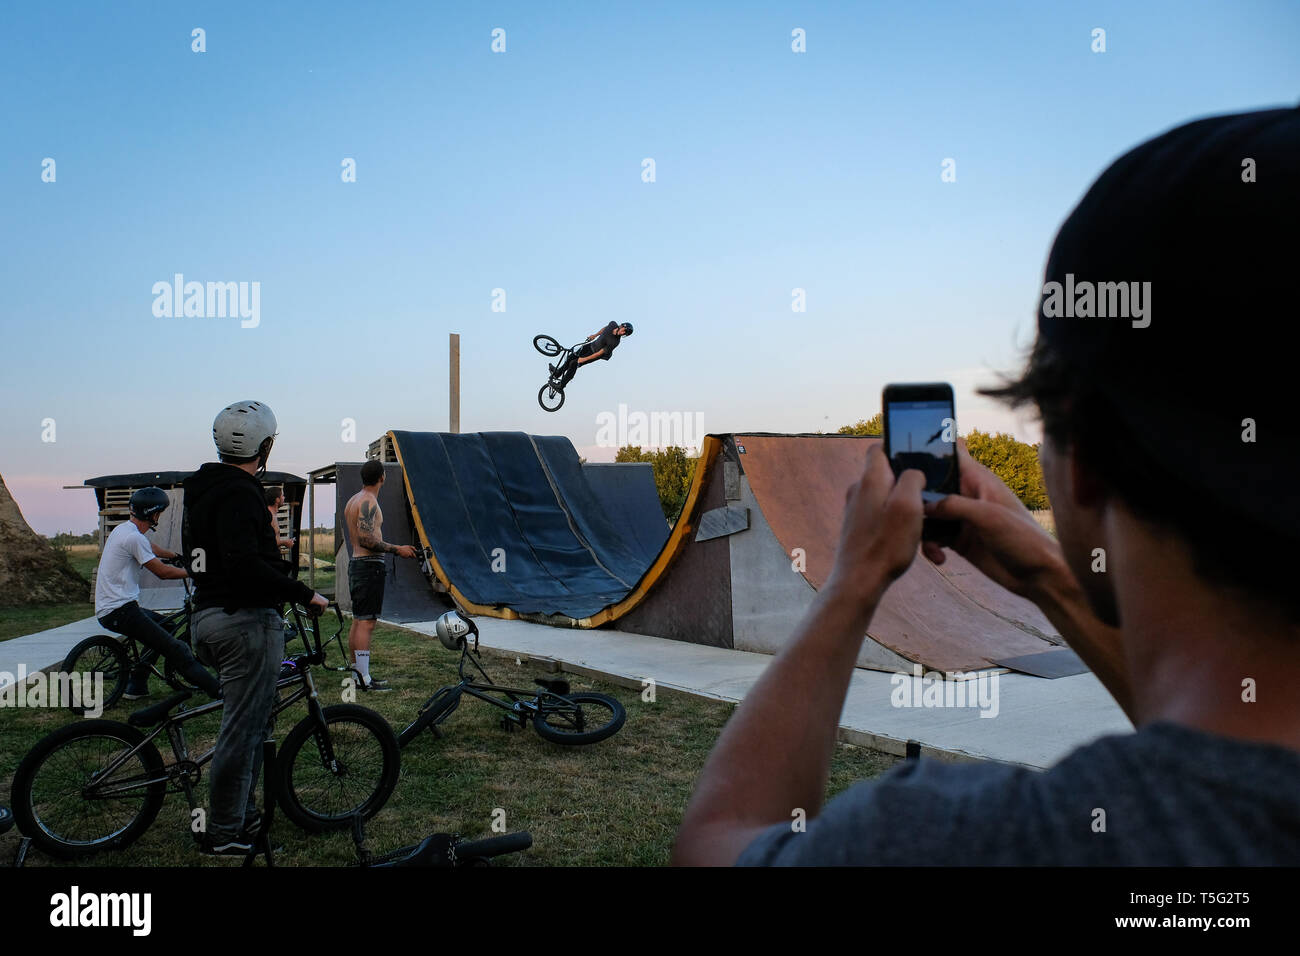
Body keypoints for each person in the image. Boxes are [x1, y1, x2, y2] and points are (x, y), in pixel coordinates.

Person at [672, 106, 1300, 866]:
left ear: (1086, 463)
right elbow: (1212, 743)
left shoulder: (964, 842)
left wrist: (851, 586)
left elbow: (713, 846)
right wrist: (1046, 574)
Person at [183, 400, 329, 856]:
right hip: (243, 621)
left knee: (248, 720)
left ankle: (243, 816)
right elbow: (244, 564)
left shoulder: (202, 488)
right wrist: (305, 594)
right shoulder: (243, 492)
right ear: (264, 446)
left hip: (206, 614)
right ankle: (224, 832)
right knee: (242, 729)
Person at [94, 487, 221, 701]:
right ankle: (219, 692)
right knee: (177, 649)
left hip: (112, 608)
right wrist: (195, 573)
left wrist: (174, 555)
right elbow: (162, 572)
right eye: (159, 513)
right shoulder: (135, 539)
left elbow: (150, 547)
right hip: (121, 611)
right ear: (153, 514)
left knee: (168, 625)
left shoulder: (124, 530)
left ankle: (137, 684)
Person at [342, 460, 417, 692]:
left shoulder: (353, 500)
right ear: (382, 477)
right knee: (366, 622)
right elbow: (367, 538)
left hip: (357, 564)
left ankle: (357, 676)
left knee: (358, 620)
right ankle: (364, 678)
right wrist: (398, 549)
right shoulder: (368, 501)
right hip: (368, 566)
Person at [551, 321, 633, 389]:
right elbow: (605, 328)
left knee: (574, 363)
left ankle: (561, 385)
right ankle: (557, 373)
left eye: (625, 334)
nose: (623, 333)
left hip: (594, 354)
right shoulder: (612, 324)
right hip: (590, 345)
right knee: (571, 356)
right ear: (622, 326)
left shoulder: (615, 342)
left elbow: (600, 353)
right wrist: (595, 335)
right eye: (624, 331)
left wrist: (583, 359)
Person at [263, 485, 295, 552]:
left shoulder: (273, 515)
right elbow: (267, 542)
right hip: (269, 558)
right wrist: (284, 542)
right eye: (282, 496)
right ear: (277, 500)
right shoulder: (269, 516)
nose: (284, 497)